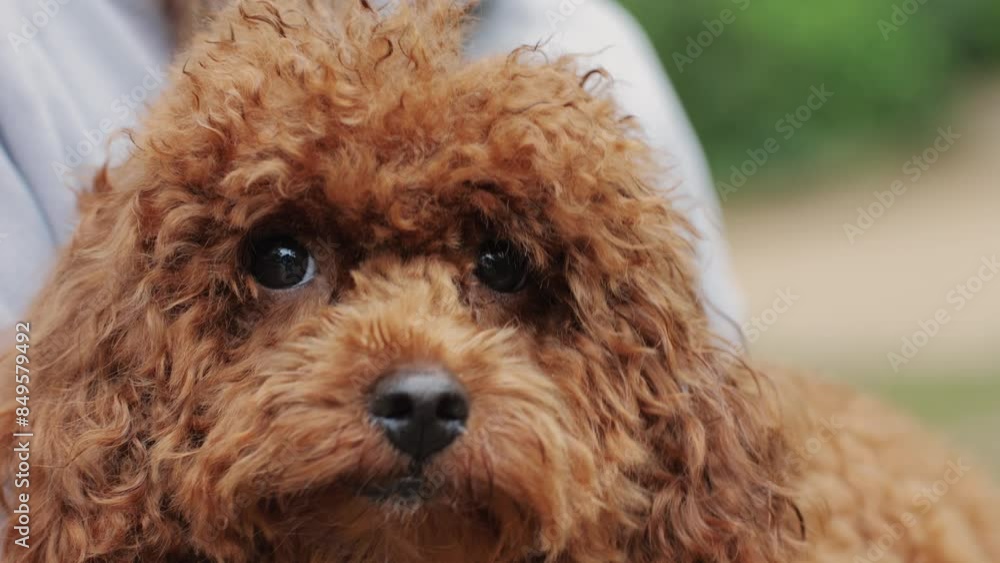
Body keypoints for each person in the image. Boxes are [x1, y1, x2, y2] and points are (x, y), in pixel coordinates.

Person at [0, 0, 743, 340]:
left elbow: (683, 384)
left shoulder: (590, 44)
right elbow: (31, 473)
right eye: (284, 263)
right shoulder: (26, 45)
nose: (420, 375)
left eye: (503, 266)